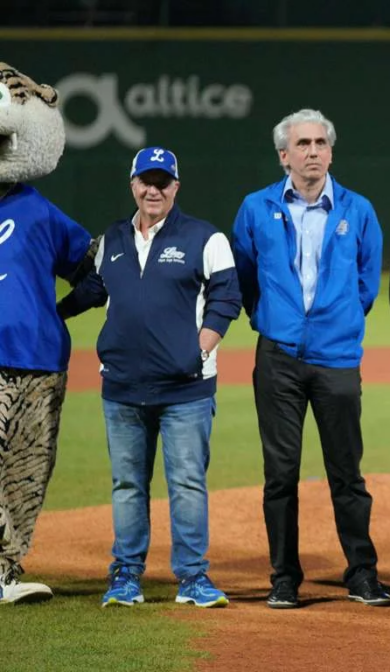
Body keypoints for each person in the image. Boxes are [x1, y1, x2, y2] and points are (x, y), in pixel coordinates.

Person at [59, 146, 242, 608]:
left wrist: (198, 349)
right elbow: (93, 291)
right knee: (127, 485)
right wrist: (50, 312)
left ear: (176, 188)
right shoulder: (114, 239)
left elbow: (227, 298)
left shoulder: (205, 238)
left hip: (186, 390)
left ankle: (193, 578)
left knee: (186, 483)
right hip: (122, 387)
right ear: (133, 185)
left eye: (163, 182)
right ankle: (125, 576)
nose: (153, 189)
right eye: (146, 181)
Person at [231, 109, 390, 609]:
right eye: (303, 144)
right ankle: (284, 577)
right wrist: (271, 320)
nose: (313, 151)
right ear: (284, 155)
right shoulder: (255, 208)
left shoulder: (358, 210)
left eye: (321, 142)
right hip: (278, 357)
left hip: (337, 358)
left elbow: (367, 284)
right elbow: (244, 275)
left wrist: (335, 323)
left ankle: (361, 573)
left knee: (347, 472)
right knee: (281, 473)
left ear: (331, 152)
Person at [0, 62, 95, 604]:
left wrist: (60, 310)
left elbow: (93, 271)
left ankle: (5, 571)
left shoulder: (38, 211)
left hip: (40, 359)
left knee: (28, 472)